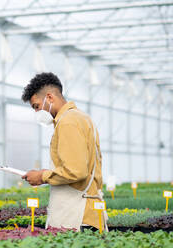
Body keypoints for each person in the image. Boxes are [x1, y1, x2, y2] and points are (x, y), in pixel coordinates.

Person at [21, 72, 108, 231]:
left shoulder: (68, 122)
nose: (37, 113)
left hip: (79, 216)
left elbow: (76, 171)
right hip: (87, 212)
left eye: (37, 106)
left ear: (50, 97)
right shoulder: (80, 117)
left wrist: (41, 176)